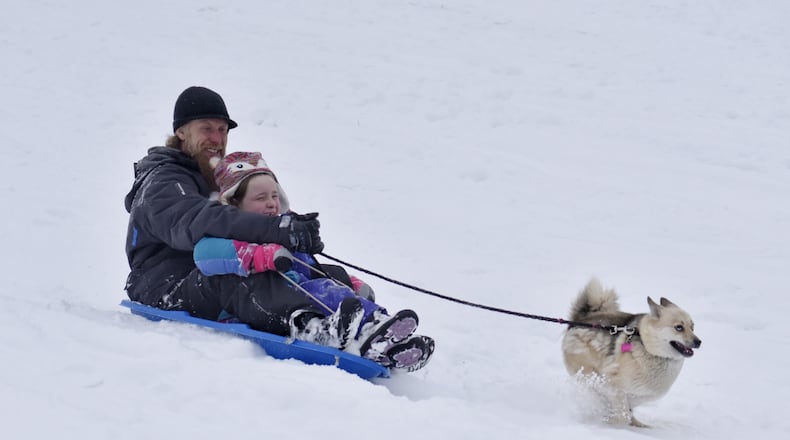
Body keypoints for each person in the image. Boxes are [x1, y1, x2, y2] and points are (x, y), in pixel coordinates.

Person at [124, 86, 433, 371]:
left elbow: (240, 210)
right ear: (180, 131)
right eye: (206, 129)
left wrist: (293, 228)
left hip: (209, 269)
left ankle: (374, 332)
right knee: (235, 274)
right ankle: (313, 327)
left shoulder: (212, 177)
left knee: (313, 270)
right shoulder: (162, 181)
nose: (217, 139)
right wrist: (278, 228)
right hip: (165, 286)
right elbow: (198, 221)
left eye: (222, 130)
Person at [192, 151, 434, 370]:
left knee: (330, 279)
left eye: (275, 195)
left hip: (296, 295)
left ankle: (385, 341)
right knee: (313, 290)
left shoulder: (280, 230)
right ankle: (325, 330)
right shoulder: (228, 232)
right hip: (258, 306)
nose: (271, 203)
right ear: (234, 202)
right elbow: (203, 254)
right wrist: (258, 256)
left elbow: (308, 265)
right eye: (261, 197)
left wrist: (349, 283)